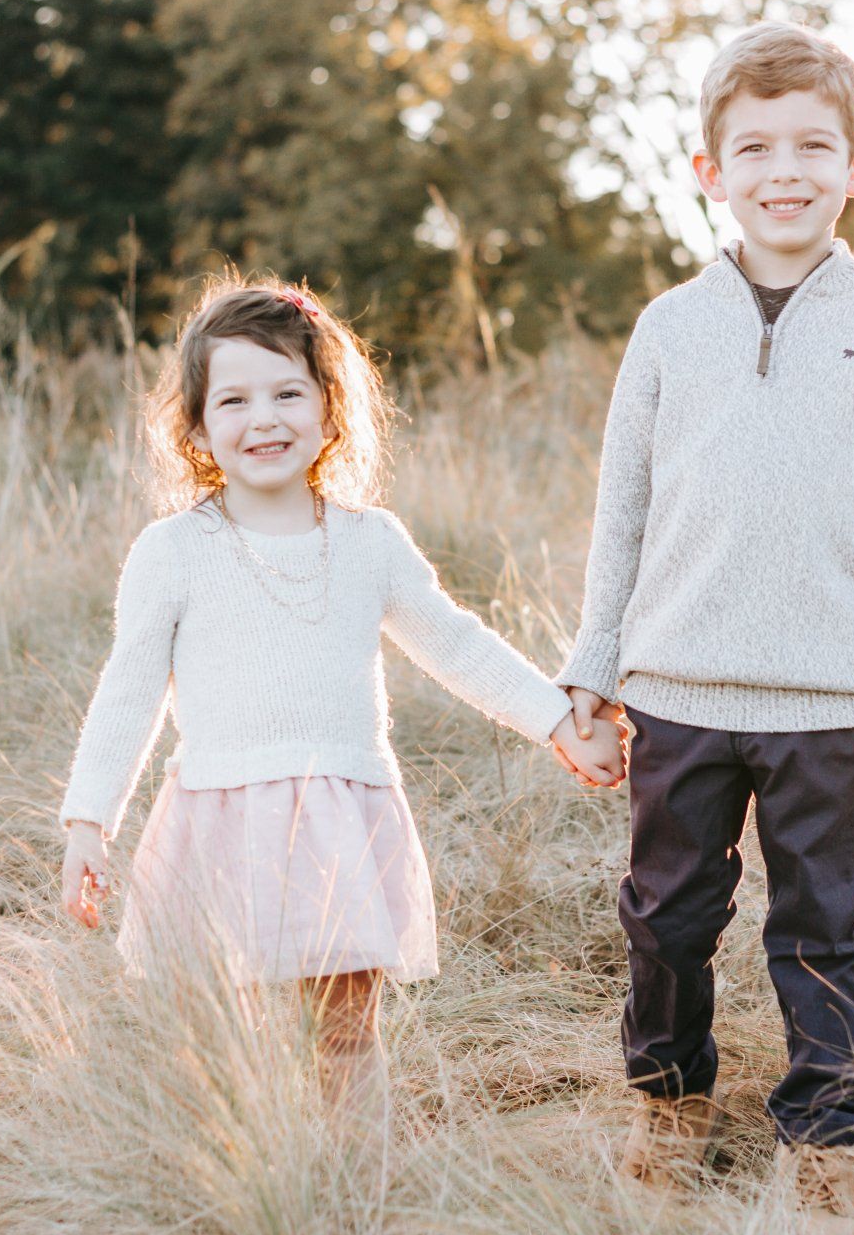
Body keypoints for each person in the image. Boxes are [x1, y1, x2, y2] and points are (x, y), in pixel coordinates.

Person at [554, 22, 854, 1216]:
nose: (783, 171)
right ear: (710, 171)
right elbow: (622, 518)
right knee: (666, 918)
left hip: (832, 698)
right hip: (678, 690)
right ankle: (669, 1100)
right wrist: (593, 670)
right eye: (754, 148)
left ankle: (825, 1133)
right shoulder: (668, 327)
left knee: (822, 927)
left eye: (812, 146)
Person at [55, 274, 626, 1139]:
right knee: (235, 1042)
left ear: (330, 410)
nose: (264, 419)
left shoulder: (369, 543)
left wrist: (557, 719)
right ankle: (259, 1182)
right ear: (198, 426)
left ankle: (359, 1178)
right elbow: (127, 691)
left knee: (345, 1032)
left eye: (288, 393)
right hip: (222, 824)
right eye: (234, 400)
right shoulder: (172, 552)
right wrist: (88, 822)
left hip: (338, 824)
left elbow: (455, 644)